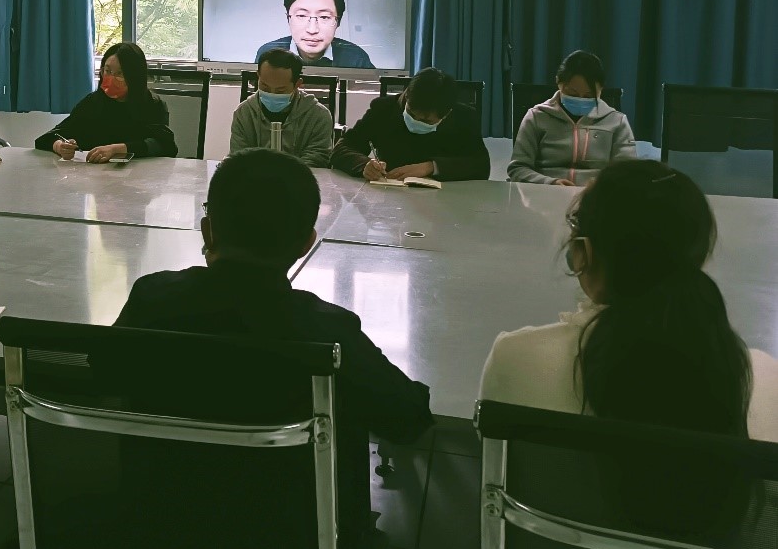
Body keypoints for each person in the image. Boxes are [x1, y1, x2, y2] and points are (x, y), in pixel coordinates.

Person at [114, 148, 433, 549]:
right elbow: (408, 417)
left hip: (160, 534)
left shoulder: (152, 298)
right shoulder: (326, 332)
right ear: (306, 244)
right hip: (292, 547)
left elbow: (106, 373)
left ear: (208, 229)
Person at [481, 160, 778, 442]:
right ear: (698, 256)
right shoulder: (763, 378)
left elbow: (493, 458)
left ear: (584, 253)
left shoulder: (516, 358)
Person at [331, 67, 490, 182]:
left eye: (426, 121)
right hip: (391, 196)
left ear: (446, 114)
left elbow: (481, 166)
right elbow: (342, 148)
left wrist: (431, 167)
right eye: (412, 114)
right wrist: (365, 165)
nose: (416, 122)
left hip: (445, 201)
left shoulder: (463, 117)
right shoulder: (384, 109)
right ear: (406, 95)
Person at [508, 50, 637, 186]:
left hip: (597, 194)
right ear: (559, 83)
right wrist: (550, 182)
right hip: (546, 193)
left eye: (588, 95)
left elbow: (627, 173)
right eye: (572, 93)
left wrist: (601, 186)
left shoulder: (617, 122)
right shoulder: (536, 116)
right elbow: (518, 168)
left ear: (601, 90)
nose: (580, 99)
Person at [35, 43, 178, 162]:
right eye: (107, 71)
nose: (111, 78)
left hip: (139, 179)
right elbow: (44, 139)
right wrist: (60, 146)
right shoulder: (92, 103)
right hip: (95, 179)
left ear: (134, 77)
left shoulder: (151, 104)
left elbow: (166, 146)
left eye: (120, 73)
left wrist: (117, 149)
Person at [229, 48, 333, 167]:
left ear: (297, 84)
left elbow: (317, 158)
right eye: (265, 87)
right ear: (258, 77)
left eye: (280, 90)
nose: (271, 94)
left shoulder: (318, 115)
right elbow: (239, 157)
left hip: (301, 176)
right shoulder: (244, 113)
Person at [254, 0, 374, 69]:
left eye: (324, 17)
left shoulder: (356, 58)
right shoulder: (269, 54)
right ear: (288, 18)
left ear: (338, 22)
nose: (312, 30)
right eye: (302, 15)